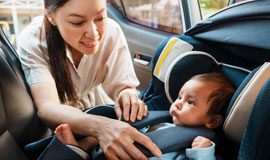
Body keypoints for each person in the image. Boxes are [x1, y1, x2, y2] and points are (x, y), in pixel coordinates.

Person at [17, 0, 162, 160]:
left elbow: (122, 85)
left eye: (100, 18)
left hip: (95, 105)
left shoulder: (112, 31)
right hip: (61, 118)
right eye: (77, 22)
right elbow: (47, 107)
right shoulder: (34, 40)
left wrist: (126, 94)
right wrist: (101, 128)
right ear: (51, 16)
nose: (94, 33)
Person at [54, 73, 235, 159]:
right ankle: (80, 149)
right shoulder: (162, 121)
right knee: (96, 144)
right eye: (180, 97)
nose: (178, 103)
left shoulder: (202, 143)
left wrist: (202, 151)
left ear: (212, 120)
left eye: (190, 102)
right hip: (116, 153)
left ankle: (78, 151)